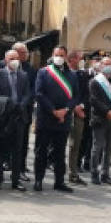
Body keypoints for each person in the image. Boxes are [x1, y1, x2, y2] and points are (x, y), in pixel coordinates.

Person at [33, 46, 76, 192]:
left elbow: (75, 96)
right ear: (52, 55)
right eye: (56, 54)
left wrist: (66, 110)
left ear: (66, 57)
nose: (59, 57)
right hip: (46, 118)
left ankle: (59, 182)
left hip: (63, 119)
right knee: (41, 152)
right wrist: (53, 110)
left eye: (62, 55)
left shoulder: (72, 75)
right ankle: (38, 180)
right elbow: (39, 93)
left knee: (59, 153)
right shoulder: (43, 72)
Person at [0, 49, 30, 191]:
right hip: (3, 118)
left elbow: (27, 94)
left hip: (19, 117)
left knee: (17, 150)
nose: (15, 61)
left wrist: (21, 105)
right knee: (0, 149)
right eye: (12, 58)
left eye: (17, 58)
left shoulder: (24, 75)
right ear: (6, 60)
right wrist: (12, 106)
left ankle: (15, 180)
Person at [88, 56, 111, 185]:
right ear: (100, 66)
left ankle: (105, 174)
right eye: (106, 64)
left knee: (109, 148)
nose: (108, 66)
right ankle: (94, 172)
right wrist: (107, 112)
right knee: (98, 147)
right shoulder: (95, 82)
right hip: (100, 119)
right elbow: (94, 100)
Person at [12, 42, 37, 182]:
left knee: (23, 141)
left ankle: (20, 168)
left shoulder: (30, 69)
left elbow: (33, 88)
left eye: (25, 53)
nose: (25, 55)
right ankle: (5, 164)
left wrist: (24, 102)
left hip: (24, 111)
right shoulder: (4, 65)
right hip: (8, 111)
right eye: (22, 53)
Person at [65, 50, 90, 186]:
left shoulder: (82, 74)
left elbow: (85, 93)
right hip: (65, 111)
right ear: (72, 59)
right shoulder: (63, 73)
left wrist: (81, 106)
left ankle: (72, 173)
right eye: (80, 58)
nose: (82, 60)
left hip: (79, 113)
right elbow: (64, 92)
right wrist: (75, 107)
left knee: (75, 144)